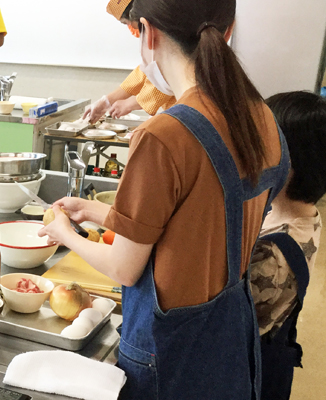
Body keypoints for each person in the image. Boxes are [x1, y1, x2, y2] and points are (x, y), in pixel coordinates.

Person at [38, 0, 290, 398]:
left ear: (148, 33)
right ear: (227, 30)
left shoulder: (164, 135)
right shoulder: (262, 117)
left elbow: (124, 268)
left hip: (167, 348)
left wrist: (64, 232)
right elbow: (202, 216)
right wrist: (101, 211)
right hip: (228, 334)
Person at [250, 91, 326, 400]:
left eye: (258, 144)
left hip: (246, 370)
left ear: (287, 163)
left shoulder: (273, 254)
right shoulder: (306, 214)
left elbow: (223, 319)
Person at [82, 0, 176, 123]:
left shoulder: (169, 33)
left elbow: (168, 75)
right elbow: (145, 71)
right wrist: (106, 101)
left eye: (126, 23)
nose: (131, 29)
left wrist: (130, 103)